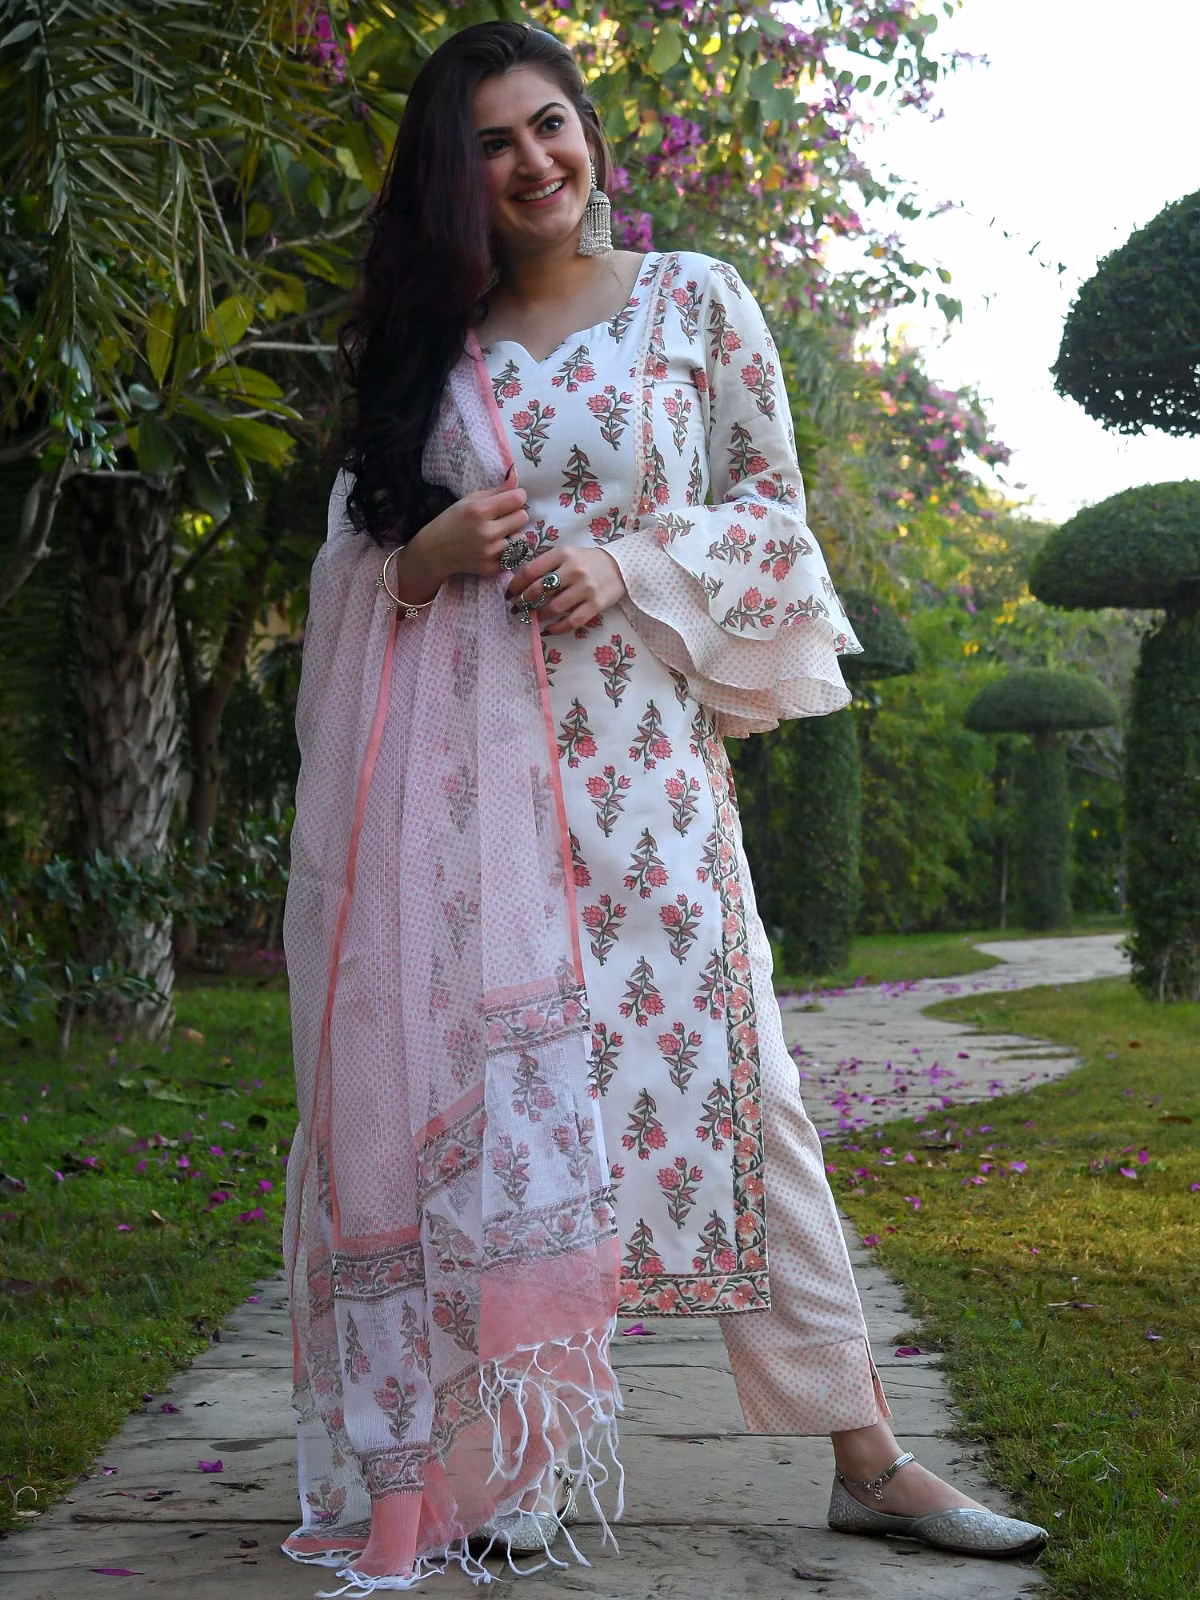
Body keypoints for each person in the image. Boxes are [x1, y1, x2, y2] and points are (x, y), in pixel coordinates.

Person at [280, 20, 1048, 1596]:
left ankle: (867, 1457)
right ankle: (520, 1453)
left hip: (651, 788)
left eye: (550, 124)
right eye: (491, 145)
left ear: (592, 133)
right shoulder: (438, 351)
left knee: (751, 1104)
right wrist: (421, 562)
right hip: (474, 813)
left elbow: (773, 521)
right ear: (454, 181)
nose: (532, 163)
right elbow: (364, 563)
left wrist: (626, 564)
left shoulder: (695, 301)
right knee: (505, 1124)